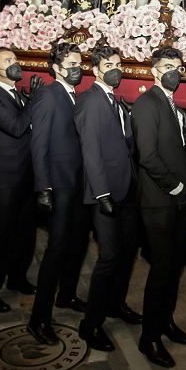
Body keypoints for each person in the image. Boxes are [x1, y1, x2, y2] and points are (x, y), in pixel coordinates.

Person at [74, 46, 143, 351]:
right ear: (96, 69)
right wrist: (101, 193)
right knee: (109, 257)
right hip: (106, 194)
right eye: (109, 64)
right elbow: (90, 150)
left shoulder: (115, 101)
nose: (116, 69)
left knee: (128, 252)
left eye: (118, 64)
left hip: (126, 189)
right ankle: (90, 324)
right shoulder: (90, 100)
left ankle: (116, 303)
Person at [131, 46, 186, 368]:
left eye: (179, 67)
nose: (175, 71)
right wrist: (178, 187)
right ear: (154, 70)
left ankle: (165, 322)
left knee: (174, 268)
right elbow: (148, 156)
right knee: (161, 270)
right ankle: (149, 337)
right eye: (169, 65)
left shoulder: (173, 105)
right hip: (158, 202)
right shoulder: (146, 104)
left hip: (179, 201)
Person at [0, 48, 42, 313]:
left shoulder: (18, 94)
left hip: (26, 175)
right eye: (8, 60)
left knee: (25, 234)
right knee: (1, 238)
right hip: (4, 178)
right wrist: (33, 100)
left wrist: (31, 99)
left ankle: (17, 278)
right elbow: (16, 127)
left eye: (15, 59)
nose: (15, 63)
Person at [28, 43, 88, 344]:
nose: (78, 68)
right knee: (56, 250)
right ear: (57, 68)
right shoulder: (48, 95)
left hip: (77, 184)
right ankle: (39, 318)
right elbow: (38, 145)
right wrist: (44, 187)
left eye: (80, 63)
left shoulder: (74, 95)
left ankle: (67, 296)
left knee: (77, 245)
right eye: (72, 64)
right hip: (59, 185)